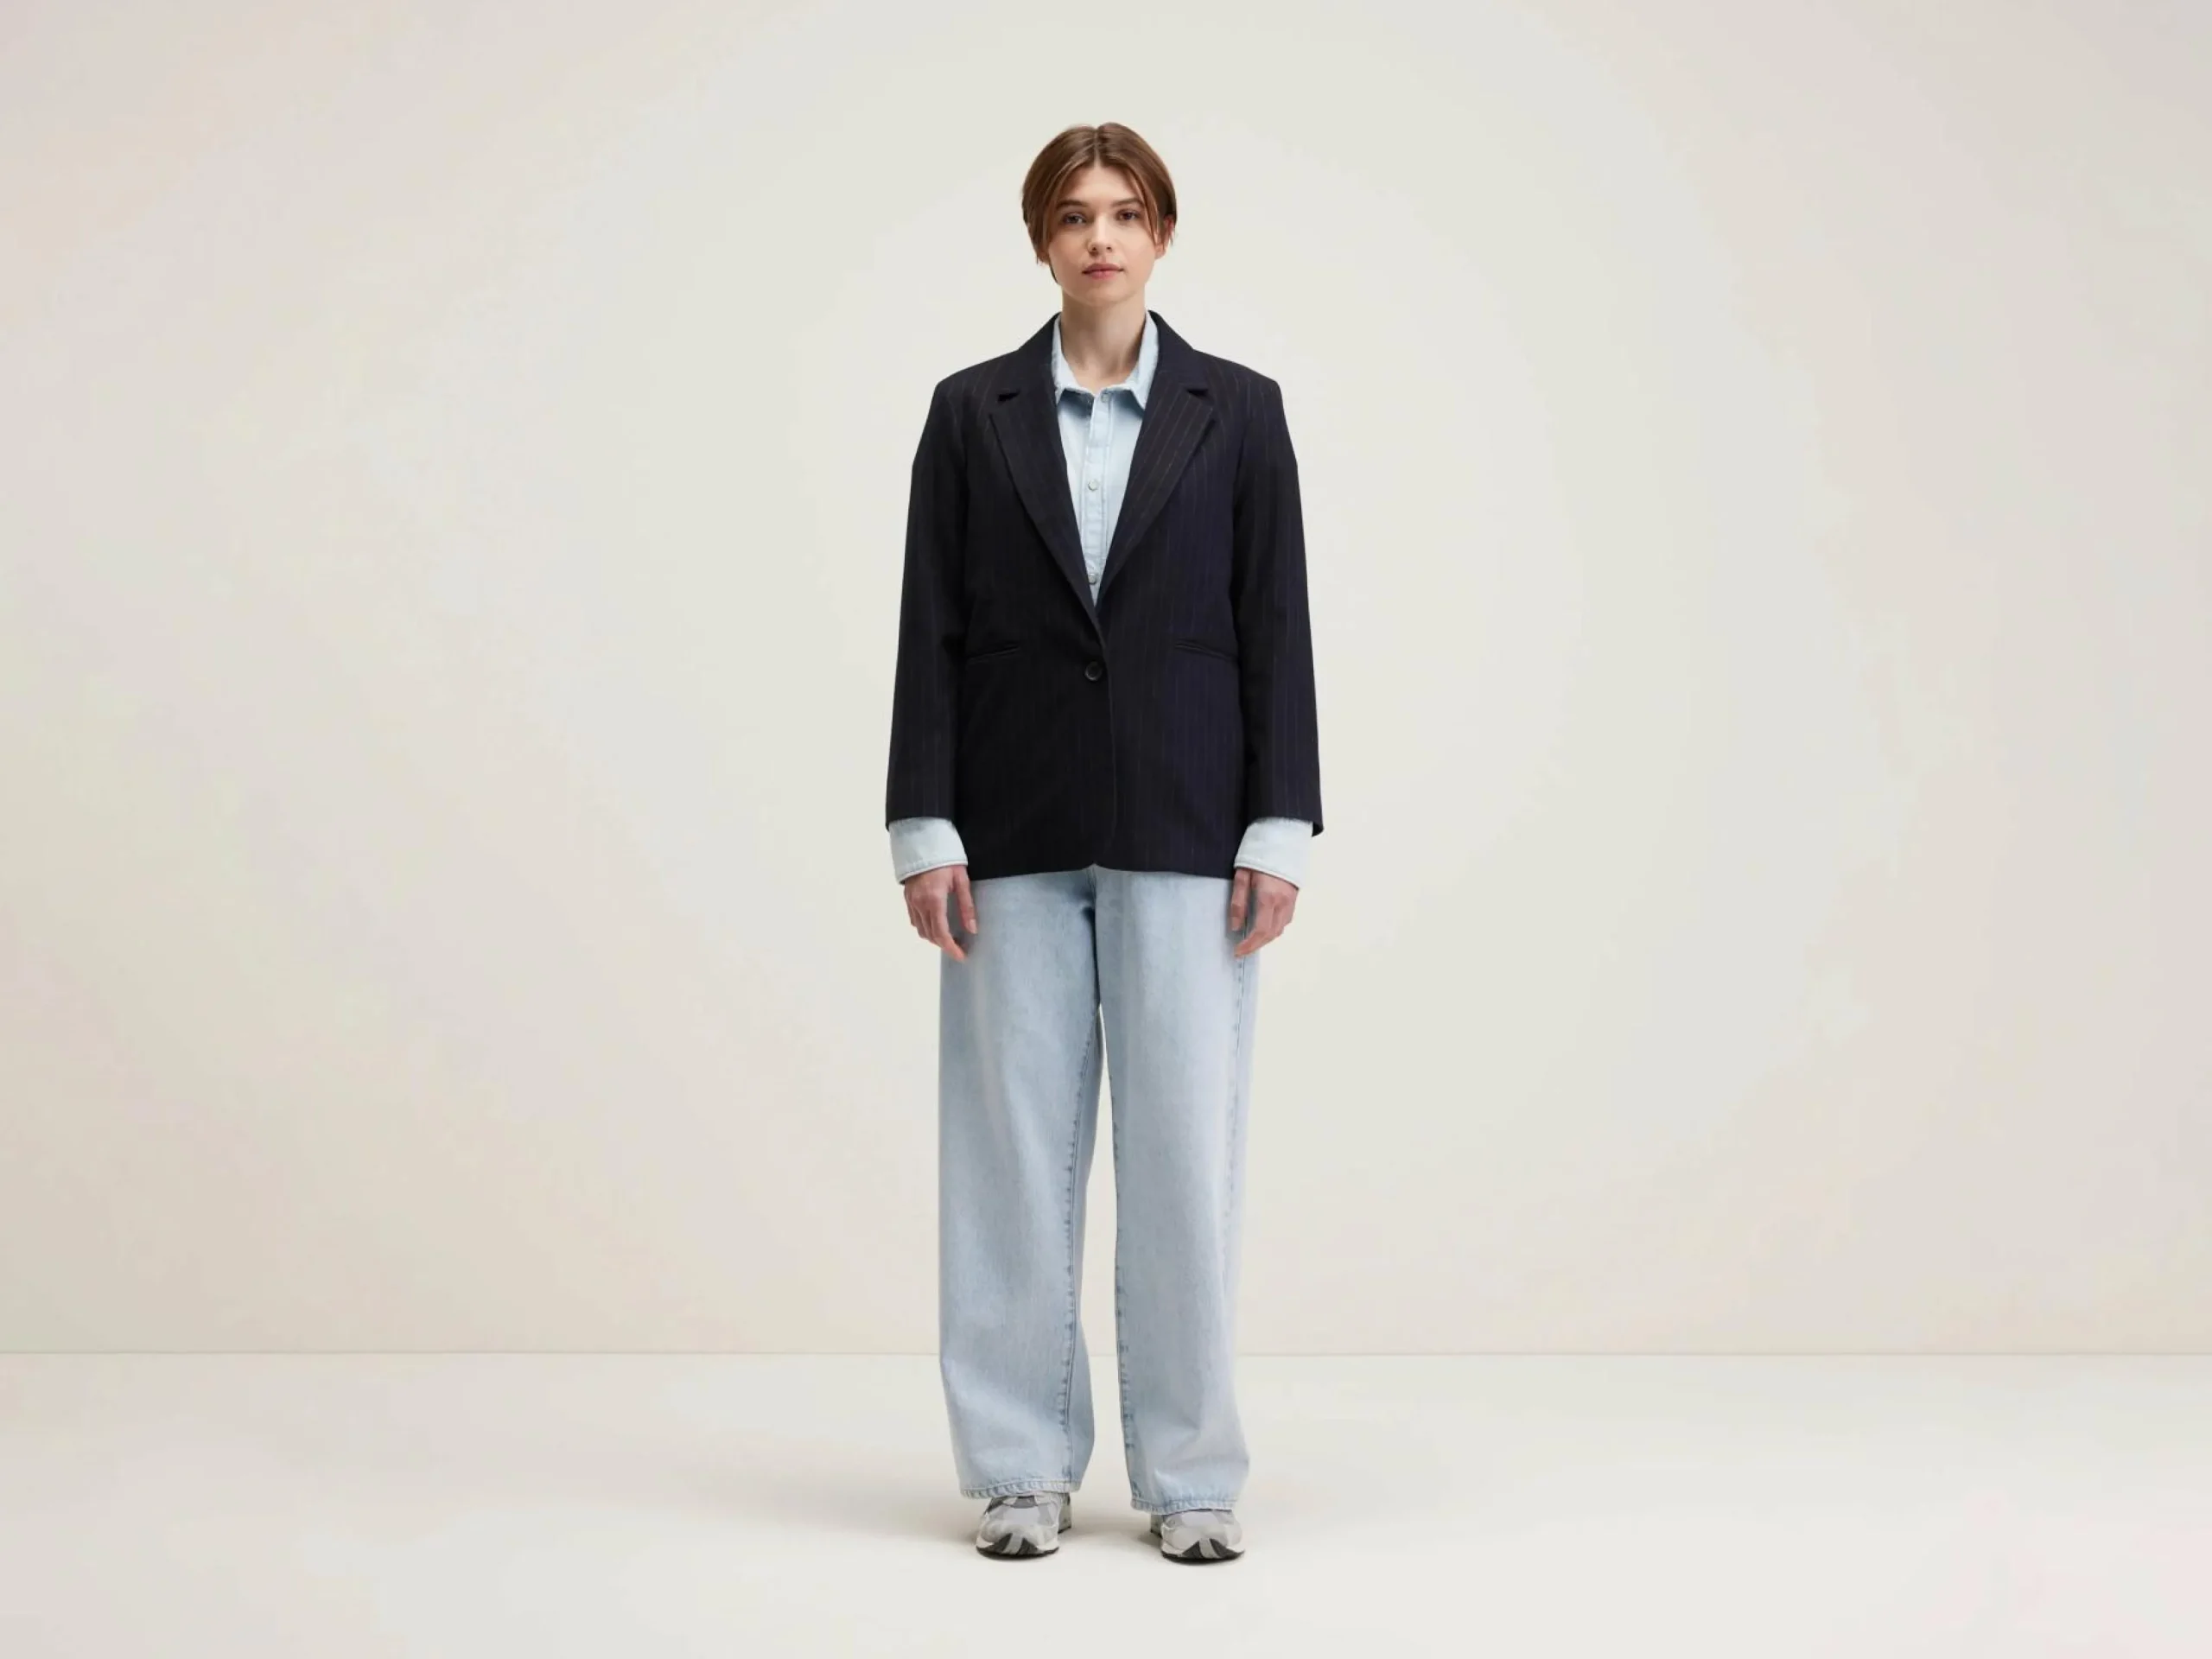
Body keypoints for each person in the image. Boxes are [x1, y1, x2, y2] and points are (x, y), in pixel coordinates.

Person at [884, 122, 1323, 1564]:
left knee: (1184, 1158)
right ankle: (1019, 1465)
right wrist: (923, 822)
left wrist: (1279, 823)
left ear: (1162, 234)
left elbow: (1273, 622)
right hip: (1007, 830)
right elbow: (931, 625)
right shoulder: (971, 412)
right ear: (1041, 239)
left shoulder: (1237, 411)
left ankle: (1192, 1474)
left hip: (1190, 830)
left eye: (1126, 213)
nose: (1100, 238)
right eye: (1074, 215)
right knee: (1010, 1161)